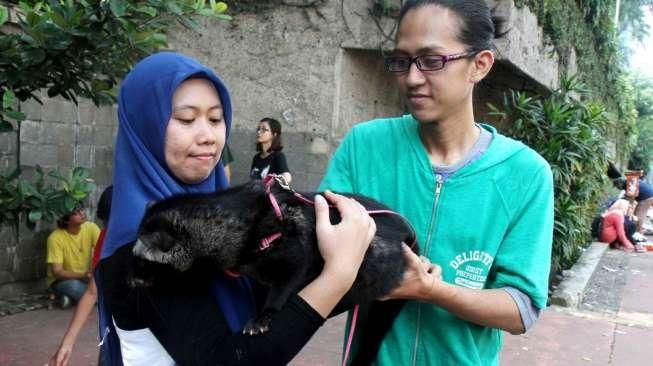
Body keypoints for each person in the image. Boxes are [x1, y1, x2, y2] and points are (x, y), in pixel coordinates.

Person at [95, 52, 375, 365]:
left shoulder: (215, 226)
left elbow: (272, 307)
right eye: (187, 119)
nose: (208, 137)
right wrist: (338, 276)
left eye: (216, 119)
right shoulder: (148, 247)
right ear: (145, 125)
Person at [319, 1, 554, 364]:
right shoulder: (365, 146)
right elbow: (319, 250)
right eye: (402, 60)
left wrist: (432, 291)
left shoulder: (525, 174)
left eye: (431, 61)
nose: (412, 78)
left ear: (480, 64)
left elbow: (520, 308)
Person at [48, 186, 113, 366]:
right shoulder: (106, 235)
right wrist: (66, 344)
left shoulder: (92, 229)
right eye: (76, 211)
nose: (82, 213)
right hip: (69, 281)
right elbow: (90, 291)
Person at [46, 205, 101, 309]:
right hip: (62, 281)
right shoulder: (55, 238)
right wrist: (83, 275)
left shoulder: (91, 227)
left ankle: (69, 298)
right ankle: (99, 298)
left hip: (85, 278)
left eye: (81, 209)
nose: (82, 213)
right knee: (74, 286)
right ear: (66, 220)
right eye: (76, 213)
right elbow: (57, 272)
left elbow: (104, 250)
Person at [250, 117, 292, 183]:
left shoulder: (278, 156)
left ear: (274, 135)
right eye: (258, 129)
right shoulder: (256, 157)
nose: (258, 132)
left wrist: (272, 183)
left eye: (264, 129)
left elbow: (287, 176)